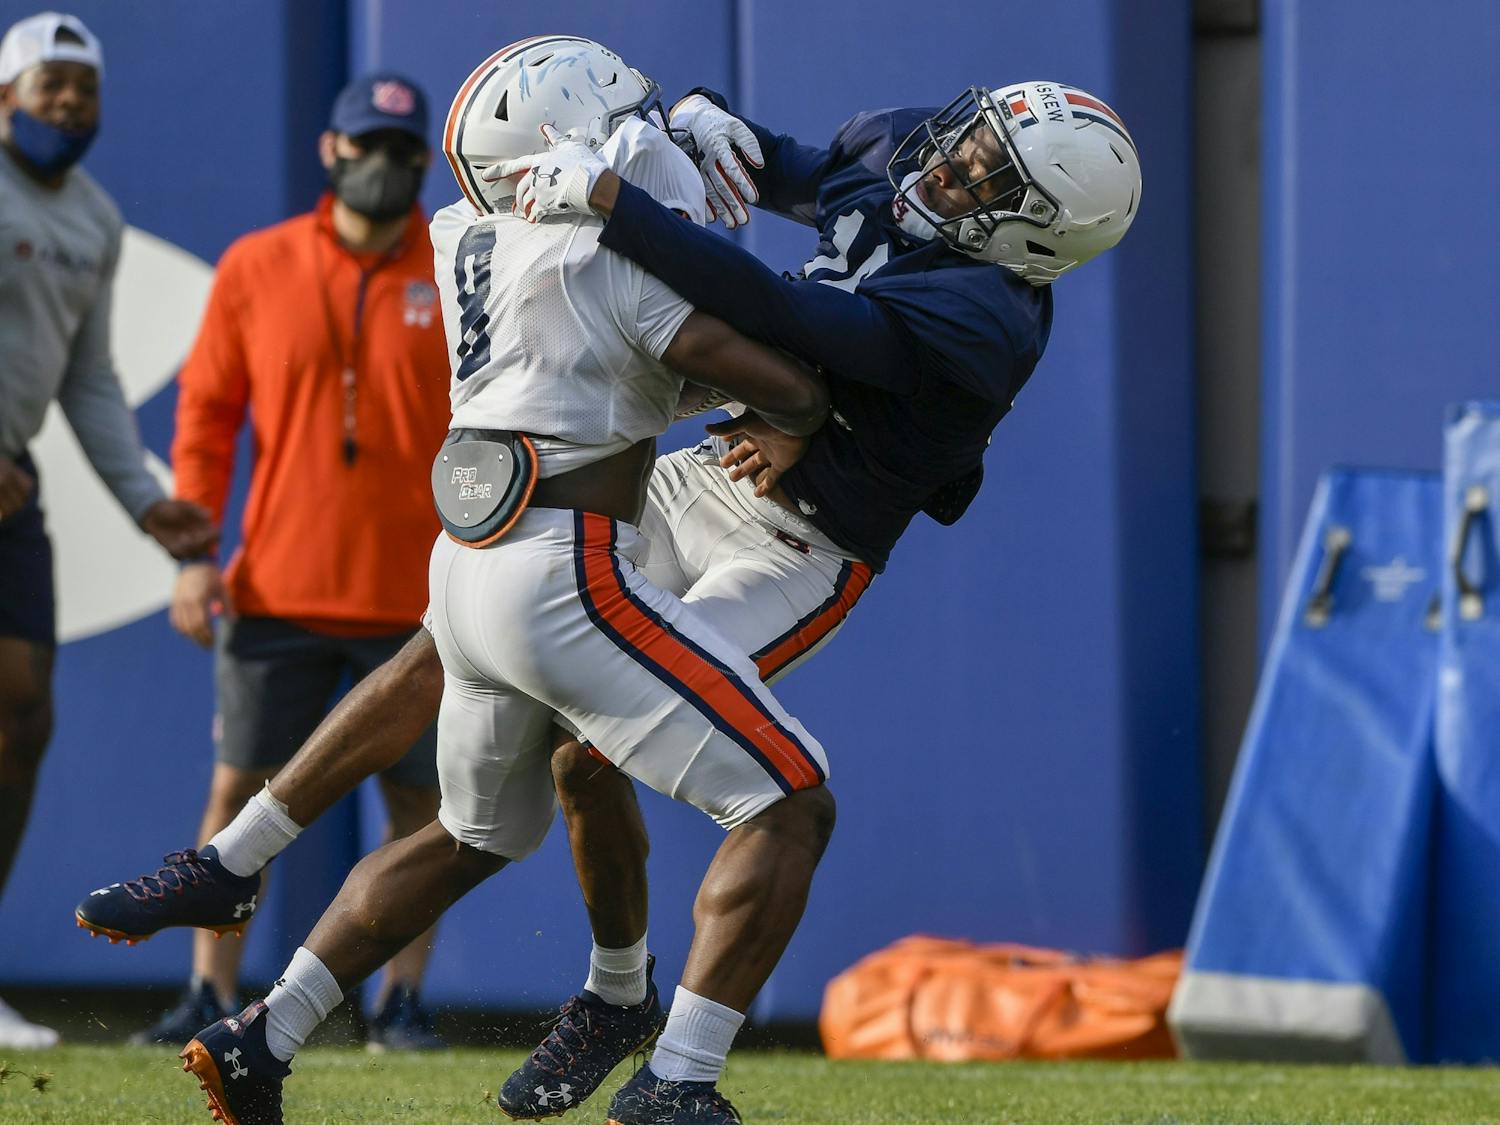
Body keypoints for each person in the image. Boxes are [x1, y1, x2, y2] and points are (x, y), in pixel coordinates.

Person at [76, 55, 1141, 1123]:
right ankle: (619, 1017)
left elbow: (786, 318)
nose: (951, 169)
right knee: (541, 729)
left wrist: (622, 203)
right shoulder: (901, 153)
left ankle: (620, 1021)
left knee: (583, 744)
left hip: (798, 547)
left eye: (988, 181)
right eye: (968, 144)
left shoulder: (986, 318)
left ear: (1035, 239)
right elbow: (796, 178)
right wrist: (721, 128)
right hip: (697, 477)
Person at [79, 72, 457, 1053]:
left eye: (402, 147)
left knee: (426, 807)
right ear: (330, 149)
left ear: (426, 157)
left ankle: (398, 1005)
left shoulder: (459, 267)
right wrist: (195, 553)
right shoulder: (259, 264)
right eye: (365, 142)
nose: (383, 162)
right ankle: (209, 994)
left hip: (420, 597)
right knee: (241, 795)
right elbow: (205, 416)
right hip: (278, 585)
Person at [0, 10, 218, 1050]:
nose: (71, 105)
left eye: (84, 90)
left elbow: (88, 383)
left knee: (23, 715)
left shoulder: (92, 215)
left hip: (12, 482)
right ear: (7, 96)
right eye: (51, 87)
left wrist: (145, 501)